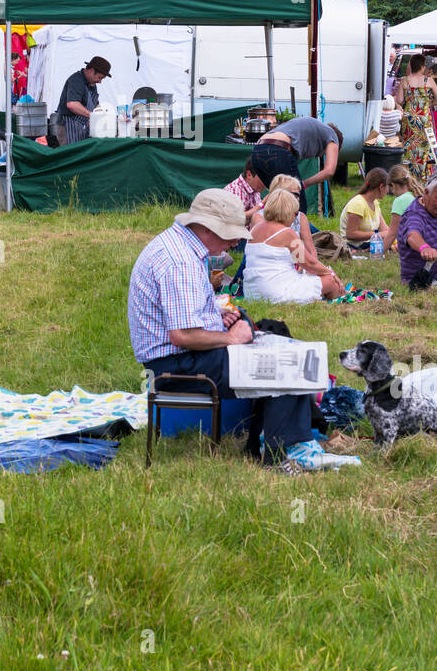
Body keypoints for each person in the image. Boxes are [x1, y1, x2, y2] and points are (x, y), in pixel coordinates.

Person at [127, 189, 320, 467]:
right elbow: (182, 335)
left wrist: (213, 315)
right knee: (286, 364)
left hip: (176, 358)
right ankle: (281, 456)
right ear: (208, 229)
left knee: (287, 354)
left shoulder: (179, 246)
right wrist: (230, 337)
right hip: (177, 365)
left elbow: (179, 314)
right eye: (230, 235)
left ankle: (272, 444)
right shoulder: (180, 261)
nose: (232, 243)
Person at [245, 186, 343, 301]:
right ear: (288, 212)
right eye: (295, 213)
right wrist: (331, 273)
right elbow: (309, 263)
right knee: (330, 281)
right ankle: (338, 302)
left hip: (252, 292)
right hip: (276, 291)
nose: (295, 217)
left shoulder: (255, 228)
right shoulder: (287, 233)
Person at [251, 117, 343, 215]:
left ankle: (273, 229)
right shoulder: (332, 135)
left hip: (257, 150)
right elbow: (329, 171)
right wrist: (304, 184)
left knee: (279, 202)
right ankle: (304, 230)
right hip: (277, 149)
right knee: (298, 206)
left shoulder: (312, 130)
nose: (322, 155)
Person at [397, 172, 437, 288]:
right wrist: (424, 247)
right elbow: (412, 235)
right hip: (425, 282)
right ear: (426, 193)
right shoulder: (414, 214)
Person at [394, 53, 437, 182]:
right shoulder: (429, 81)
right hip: (423, 118)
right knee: (423, 147)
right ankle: (422, 177)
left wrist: (408, 103)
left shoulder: (405, 80)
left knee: (409, 147)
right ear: (423, 66)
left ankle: (407, 178)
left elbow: (399, 100)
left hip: (409, 118)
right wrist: (427, 104)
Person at [56, 55, 111, 144]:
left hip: (82, 126)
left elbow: (94, 104)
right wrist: (92, 116)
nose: (100, 81)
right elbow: (72, 104)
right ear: (92, 70)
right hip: (67, 125)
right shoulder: (76, 80)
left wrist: (103, 115)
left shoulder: (92, 84)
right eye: (100, 77)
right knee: (70, 155)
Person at [339, 168, 391, 249]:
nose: (388, 190)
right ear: (381, 187)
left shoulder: (375, 202)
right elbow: (350, 234)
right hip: (353, 246)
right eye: (388, 186)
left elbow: (385, 230)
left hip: (367, 243)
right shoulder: (358, 203)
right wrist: (377, 235)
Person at [383, 164, 419, 251]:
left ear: (393, 185)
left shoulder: (400, 201)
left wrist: (379, 253)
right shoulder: (416, 195)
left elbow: (392, 233)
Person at [223, 158, 267, 224]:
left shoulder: (255, 188)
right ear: (249, 175)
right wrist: (263, 204)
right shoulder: (234, 191)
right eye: (263, 178)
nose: (266, 183)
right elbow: (235, 219)